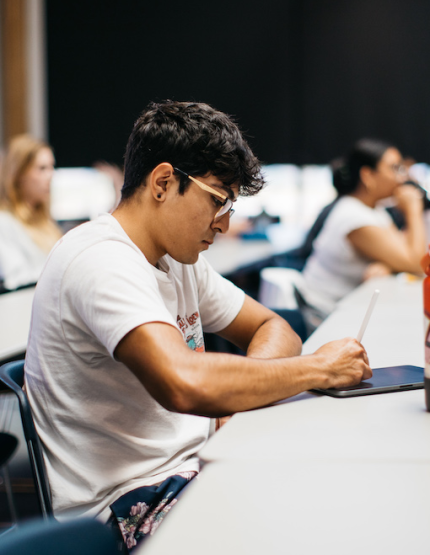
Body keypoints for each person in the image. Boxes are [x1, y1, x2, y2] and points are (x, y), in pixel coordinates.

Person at [24, 101, 371, 552]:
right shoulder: (100, 259)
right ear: (164, 182)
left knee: (335, 486)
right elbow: (184, 384)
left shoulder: (177, 256)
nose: (225, 223)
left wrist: (234, 399)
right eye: (218, 200)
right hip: (130, 504)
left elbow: (274, 327)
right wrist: (318, 369)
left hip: (194, 464)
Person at [301, 138, 426, 318]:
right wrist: (413, 209)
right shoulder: (354, 216)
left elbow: (403, 254)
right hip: (321, 316)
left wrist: (388, 264)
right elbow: (417, 264)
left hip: (348, 308)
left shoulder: (374, 209)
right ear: (367, 175)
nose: (402, 178)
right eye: (394, 168)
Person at [0, 134, 62, 290]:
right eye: (42, 168)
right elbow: (18, 279)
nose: (50, 175)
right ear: (19, 175)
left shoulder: (46, 223)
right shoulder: (5, 223)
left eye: (51, 167)